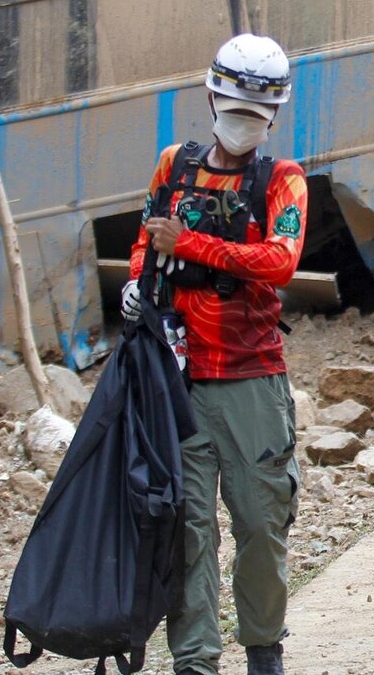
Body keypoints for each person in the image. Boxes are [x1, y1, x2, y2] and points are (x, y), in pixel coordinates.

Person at [122, 34, 307, 675]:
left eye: (256, 117)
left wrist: (194, 244)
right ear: (210, 98)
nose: (243, 127)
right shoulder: (174, 167)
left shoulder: (282, 180)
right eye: (234, 112)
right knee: (188, 528)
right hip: (179, 380)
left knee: (260, 522)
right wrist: (134, 285)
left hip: (252, 379)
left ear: (274, 117)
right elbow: (148, 246)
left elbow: (281, 262)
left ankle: (263, 649)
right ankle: (196, 659)